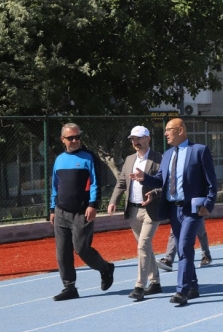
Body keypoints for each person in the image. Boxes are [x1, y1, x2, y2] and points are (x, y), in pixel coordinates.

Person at [132, 118, 218, 306]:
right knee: (182, 248)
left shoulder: (199, 150)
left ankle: (182, 290)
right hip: (173, 209)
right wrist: (144, 178)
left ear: (180, 130)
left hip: (193, 209)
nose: (165, 133)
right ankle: (193, 286)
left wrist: (209, 204)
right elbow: (160, 180)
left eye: (169, 130)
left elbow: (212, 182)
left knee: (185, 247)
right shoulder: (168, 154)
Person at [50, 123, 114, 301]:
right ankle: (69, 287)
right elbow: (54, 186)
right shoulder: (59, 159)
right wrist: (52, 209)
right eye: (71, 138)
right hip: (61, 212)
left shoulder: (88, 157)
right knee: (62, 252)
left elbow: (95, 183)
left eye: (77, 137)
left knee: (81, 249)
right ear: (63, 139)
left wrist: (93, 205)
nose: (75, 140)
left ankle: (105, 268)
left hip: (82, 212)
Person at [108, 126, 163, 301]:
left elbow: (166, 183)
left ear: (148, 138)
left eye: (138, 138)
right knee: (145, 247)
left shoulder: (159, 159)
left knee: (142, 246)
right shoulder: (129, 159)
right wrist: (113, 201)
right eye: (133, 139)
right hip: (132, 210)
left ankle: (140, 286)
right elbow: (121, 182)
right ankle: (155, 282)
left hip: (151, 210)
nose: (135, 142)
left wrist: (154, 193)